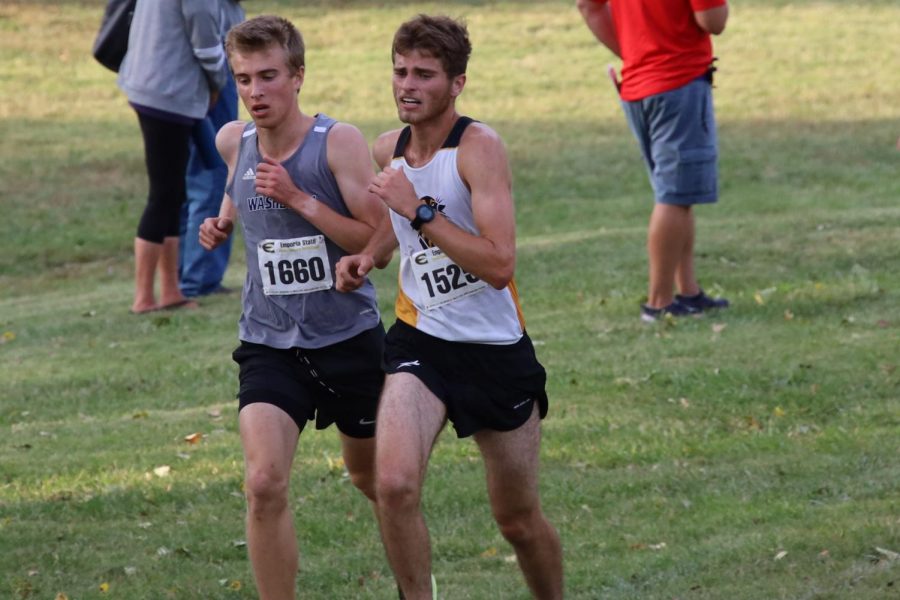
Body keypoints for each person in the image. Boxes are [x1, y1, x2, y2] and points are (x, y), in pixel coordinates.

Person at [336, 15, 563, 600]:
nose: (407, 85)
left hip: (494, 352)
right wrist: (368, 254)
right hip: (421, 342)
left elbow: (498, 264)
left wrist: (419, 211)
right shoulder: (389, 148)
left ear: (457, 83)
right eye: (400, 71)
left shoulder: (479, 149)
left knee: (517, 520)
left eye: (425, 75)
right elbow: (397, 231)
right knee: (394, 487)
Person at [198, 15, 387, 600]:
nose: (256, 92)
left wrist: (299, 199)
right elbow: (237, 185)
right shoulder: (235, 139)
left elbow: (375, 240)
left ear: (298, 76)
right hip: (270, 342)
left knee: (378, 482)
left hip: (348, 339)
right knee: (263, 484)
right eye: (244, 79)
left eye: (269, 76)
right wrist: (223, 221)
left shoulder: (340, 143)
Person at [577, 0, 731, 322]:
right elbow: (713, 20)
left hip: (639, 86)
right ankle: (659, 303)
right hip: (678, 83)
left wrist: (636, 55)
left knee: (679, 195)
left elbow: (588, 6)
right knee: (673, 197)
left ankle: (688, 293)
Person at [118, 0, 231, 313]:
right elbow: (207, 42)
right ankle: (143, 297)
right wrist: (218, 82)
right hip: (169, 93)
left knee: (173, 193)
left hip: (151, 86)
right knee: (163, 195)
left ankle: (169, 290)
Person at [178, 0, 246, 298]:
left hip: (184, 67)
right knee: (216, 171)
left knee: (192, 175)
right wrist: (219, 75)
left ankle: (186, 273)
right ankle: (201, 278)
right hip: (212, 57)